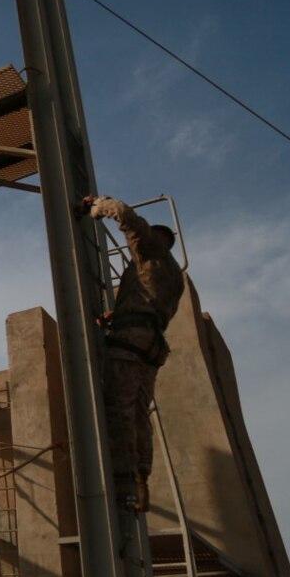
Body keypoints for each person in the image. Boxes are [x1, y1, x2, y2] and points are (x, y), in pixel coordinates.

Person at [83, 195, 184, 512]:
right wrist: (118, 315)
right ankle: (141, 479)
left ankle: (124, 483)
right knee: (141, 416)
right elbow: (151, 305)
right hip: (151, 347)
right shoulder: (174, 275)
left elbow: (126, 215)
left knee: (120, 409)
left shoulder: (149, 251)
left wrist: (97, 206)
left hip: (131, 342)